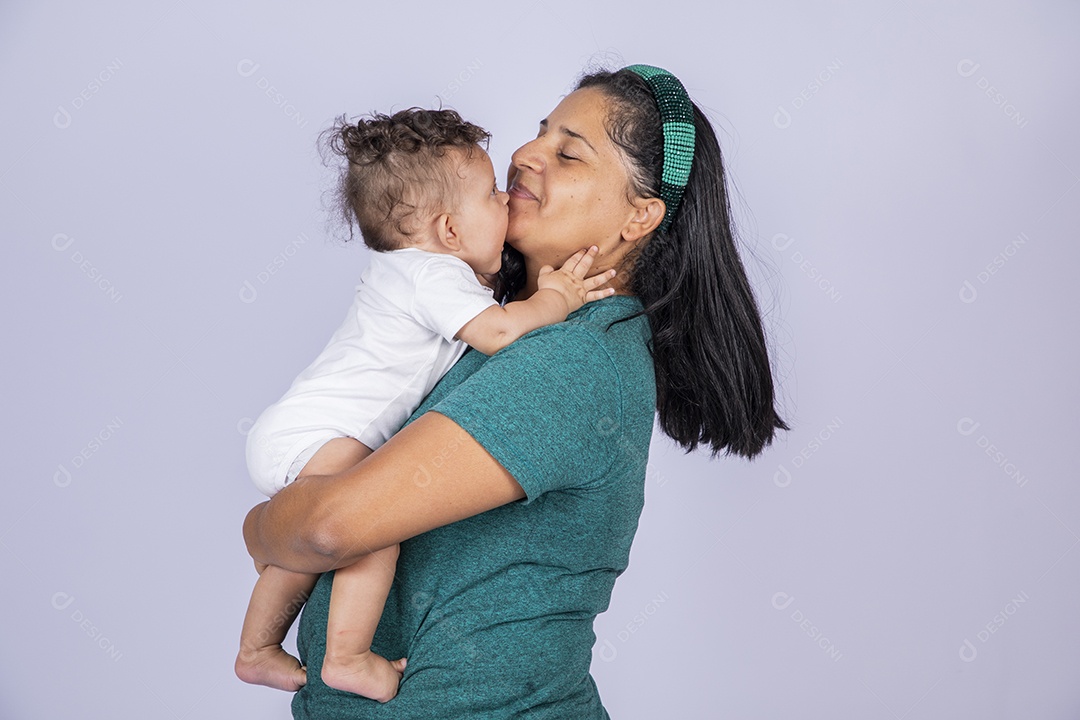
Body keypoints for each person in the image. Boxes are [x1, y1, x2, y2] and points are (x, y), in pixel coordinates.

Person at [243, 64, 790, 718]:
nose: (525, 156)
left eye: (567, 154)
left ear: (640, 215)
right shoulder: (492, 334)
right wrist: (293, 527)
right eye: (537, 135)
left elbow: (330, 528)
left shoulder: (573, 358)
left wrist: (263, 529)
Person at [234, 108, 618, 703]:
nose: (508, 191)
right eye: (492, 194)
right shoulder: (430, 276)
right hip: (321, 429)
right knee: (374, 527)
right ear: (449, 230)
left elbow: (314, 532)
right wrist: (555, 299)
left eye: (568, 151)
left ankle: (257, 649)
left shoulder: (417, 273)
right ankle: (347, 657)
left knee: (331, 533)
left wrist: (268, 533)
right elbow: (499, 333)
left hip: (299, 430)